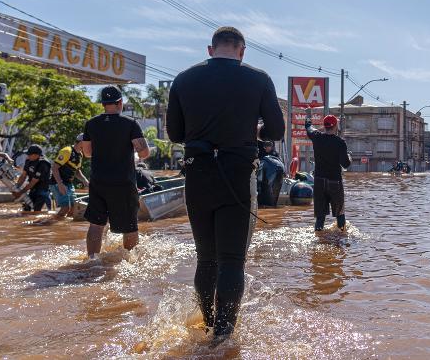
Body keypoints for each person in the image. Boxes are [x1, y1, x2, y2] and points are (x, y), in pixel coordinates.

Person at [166, 26, 284, 342]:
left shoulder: (184, 79)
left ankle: (206, 325)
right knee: (232, 261)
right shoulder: (259, 78)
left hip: (198, 176)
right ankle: (223, 338)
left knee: (206, 258)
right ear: (242, 51)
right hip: (237, 175)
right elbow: (276, 129)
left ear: (210, 49)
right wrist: (253, 131)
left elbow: (175, 134)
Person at [81, 85, 149, 259]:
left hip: (98, 181)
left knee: (96, 224)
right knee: (130, 226)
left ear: (103, 103)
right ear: (120, 102)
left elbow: (87, 153)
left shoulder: (91, 124)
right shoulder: (130, 124)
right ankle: (129, 259)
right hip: (123, 182)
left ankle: (92, 261)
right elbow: (144, 153)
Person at [305, 114, 352, 231]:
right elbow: (345, 164)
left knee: (320, 216)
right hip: (334, 182)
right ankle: (341, 238)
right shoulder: (340, 143)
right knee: (340, 214)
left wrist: (308, 120)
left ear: (324, 126)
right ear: (336, 126)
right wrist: (350, 157)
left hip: (319, 181)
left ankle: (319, 235)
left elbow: (308, 127)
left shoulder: (316, 137)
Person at [47, 134, 89, 222]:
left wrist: (85, 180)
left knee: (74, 208)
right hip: (57, 183)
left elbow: (77, 171)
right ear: (81, 142)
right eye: (87, 142)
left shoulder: (80, 155)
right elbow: (55, 168)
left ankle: (64, 225)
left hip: (69, 184)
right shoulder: (67, 151)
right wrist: (60, 184)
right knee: (65, 208)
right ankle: (50, 223)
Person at [13, 145, 52, 212]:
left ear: (36, 155)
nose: (28, 156)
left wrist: (21, 192)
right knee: (26, 209)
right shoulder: (28, 160)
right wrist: (16, 187)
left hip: (42, 190)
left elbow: (33, 181)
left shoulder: (43, 164)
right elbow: (23, 176)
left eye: (29, 154)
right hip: (33, 189)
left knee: (37, 211)